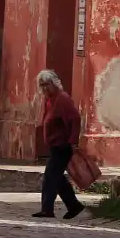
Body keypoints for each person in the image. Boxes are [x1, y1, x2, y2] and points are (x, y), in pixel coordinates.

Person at [34, 69, 86, 220]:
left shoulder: (62, 99)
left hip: (62, 145)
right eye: (42, 85)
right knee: (57, 178)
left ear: (55, 83)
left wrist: (73, 141)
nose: (45, 88)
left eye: (47, 85)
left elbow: (75, 119)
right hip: (56, 144)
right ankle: (74, 205)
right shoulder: (51, 100)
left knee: (50, 177)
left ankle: (47, 209)